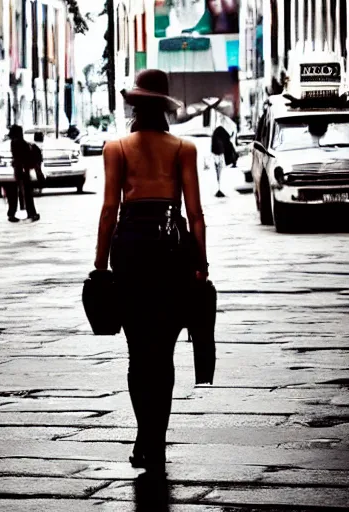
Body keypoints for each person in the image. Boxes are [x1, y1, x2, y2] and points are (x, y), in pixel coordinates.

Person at [95, 69, 209, 473]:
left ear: (135, 107)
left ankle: (145, 438)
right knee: (163, 354)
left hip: (129, 254)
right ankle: (156, 441)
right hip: (172, 253)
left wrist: (99, 265)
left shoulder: (117, 148)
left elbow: (110, 210)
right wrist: (202, 265)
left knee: (138, 354)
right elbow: (194, 212)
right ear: (163, 108)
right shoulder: (183, 147)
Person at [7, 125, 40, 222]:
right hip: (23, 169)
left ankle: (12, 213)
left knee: (17, 193)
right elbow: (24, 156)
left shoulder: (14, 142)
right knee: (26, 192)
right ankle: (31, 213)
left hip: (18, 169)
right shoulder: (21, 143)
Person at [211, 125, 237, 197]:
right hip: (219, 153)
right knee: (219, 169)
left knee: (218, 170)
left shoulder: (219, 133)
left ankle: (218, 188)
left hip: (217, 152)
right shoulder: (223, 136)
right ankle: (219, 188)